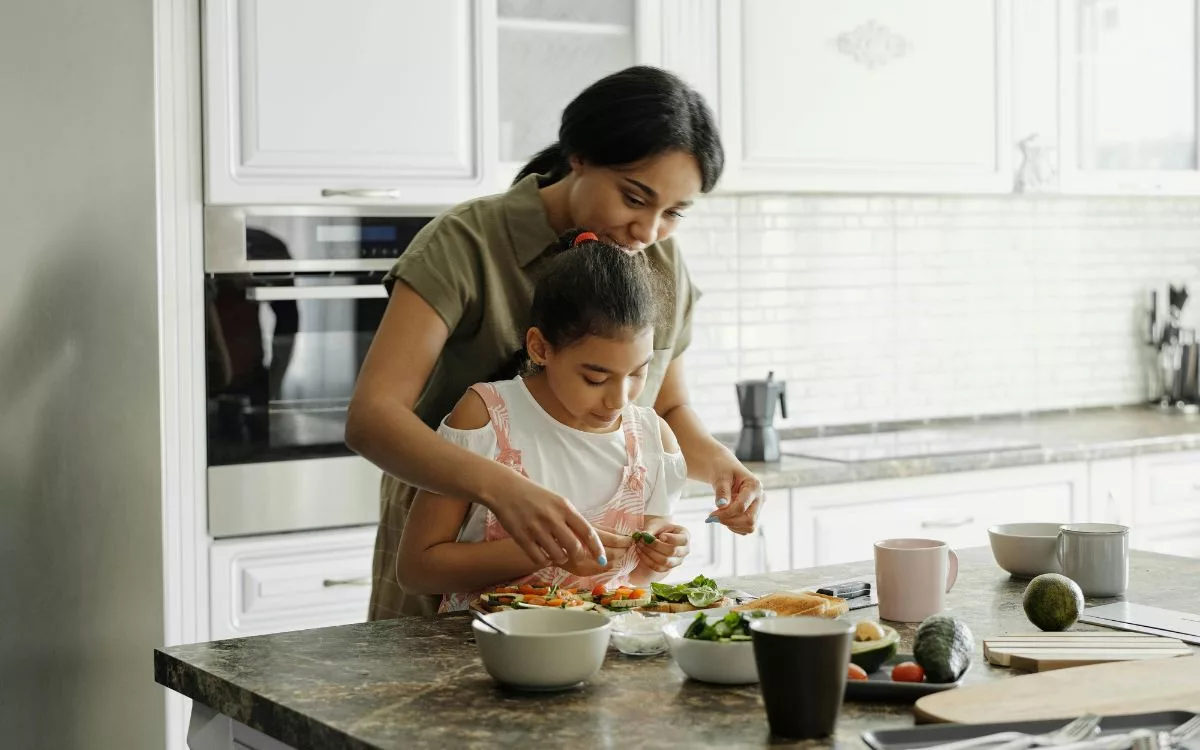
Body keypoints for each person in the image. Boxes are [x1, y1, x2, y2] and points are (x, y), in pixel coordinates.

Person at [346, 65, 765, 619]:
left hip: (588, 593)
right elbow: (372, 417)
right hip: (452, 535)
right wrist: (504, 490)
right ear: (580, 157)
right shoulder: (465, 243)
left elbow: (665, 405)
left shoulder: (658, 258)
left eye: (673, 213)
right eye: (634, 198)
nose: (648, 231)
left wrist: (720, 466)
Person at [397, 230, 688, 611]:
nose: (619, 399)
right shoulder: (487, 417)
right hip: (484, 652)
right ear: (540, 347)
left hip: (605, 654)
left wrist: (661, 557)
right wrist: (546, 552)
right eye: (595, 378)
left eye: (638, 372)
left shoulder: (652, 439)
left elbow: (636, 581)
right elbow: (417, 570)